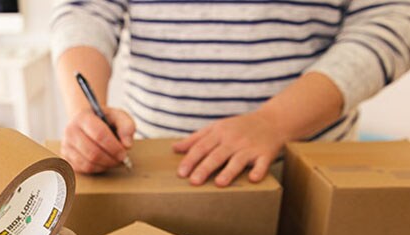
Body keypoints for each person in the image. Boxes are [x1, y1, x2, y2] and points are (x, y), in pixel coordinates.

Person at [50, 1, 410, 186]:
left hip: (311, 173)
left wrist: (274, 123)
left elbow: (391, 18)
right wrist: (86, 113)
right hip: (155, 165)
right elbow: (86, 9)